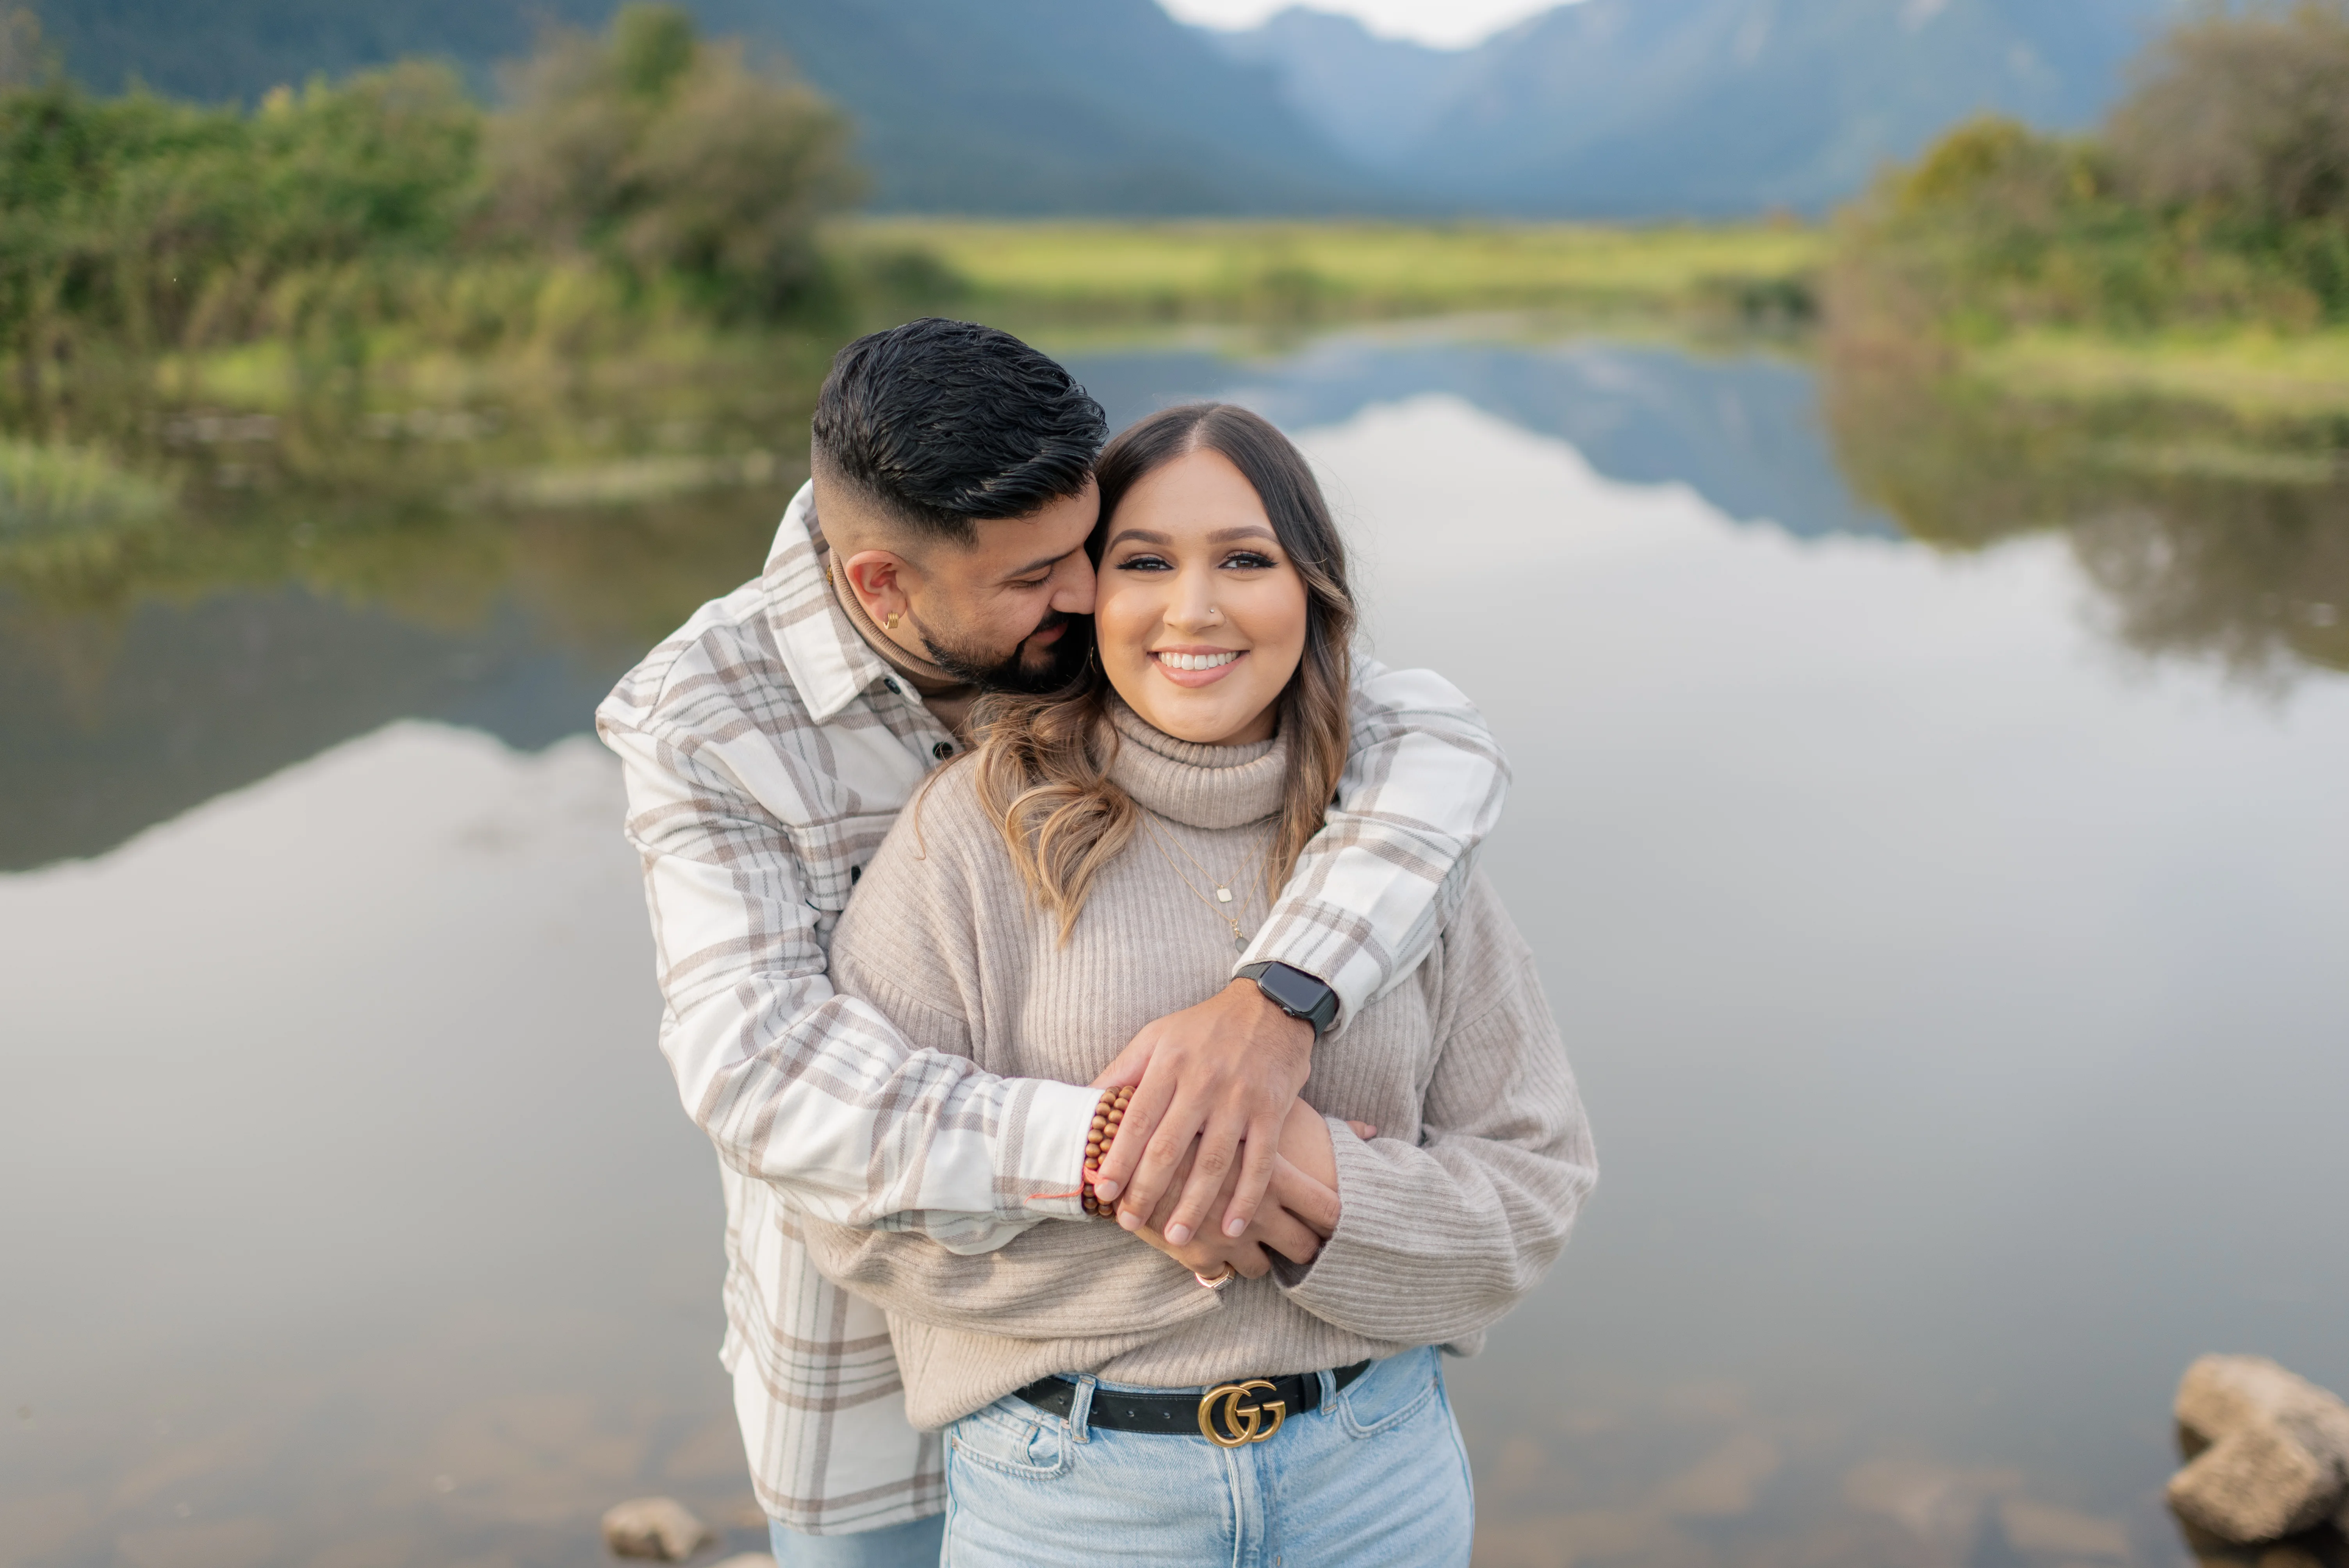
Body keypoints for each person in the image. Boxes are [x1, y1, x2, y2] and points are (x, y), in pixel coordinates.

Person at [595, 322, 1512, 1565]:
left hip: (1282, 1434)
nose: (1085, 598)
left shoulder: (1107, 605)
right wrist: (1137, 1148)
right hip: (870, 1370)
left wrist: (1274, 1007)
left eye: (1090, 549)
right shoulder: (703, 717)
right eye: (1037, 578)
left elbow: (1428, 741)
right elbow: (756, 1071)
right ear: (883, 585)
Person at [803, 403, 1597, 1566]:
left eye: (1244, 559)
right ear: (1088, 597)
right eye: (1145, 564)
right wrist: (1200, 1187)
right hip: (1074, 1497)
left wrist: (1334, 1194)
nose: (1195, 608)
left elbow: (1535, 1191)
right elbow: (855, 1219)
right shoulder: (975, 835)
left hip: (1377, 1477)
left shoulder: (1401, 841)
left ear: (1311, 590)